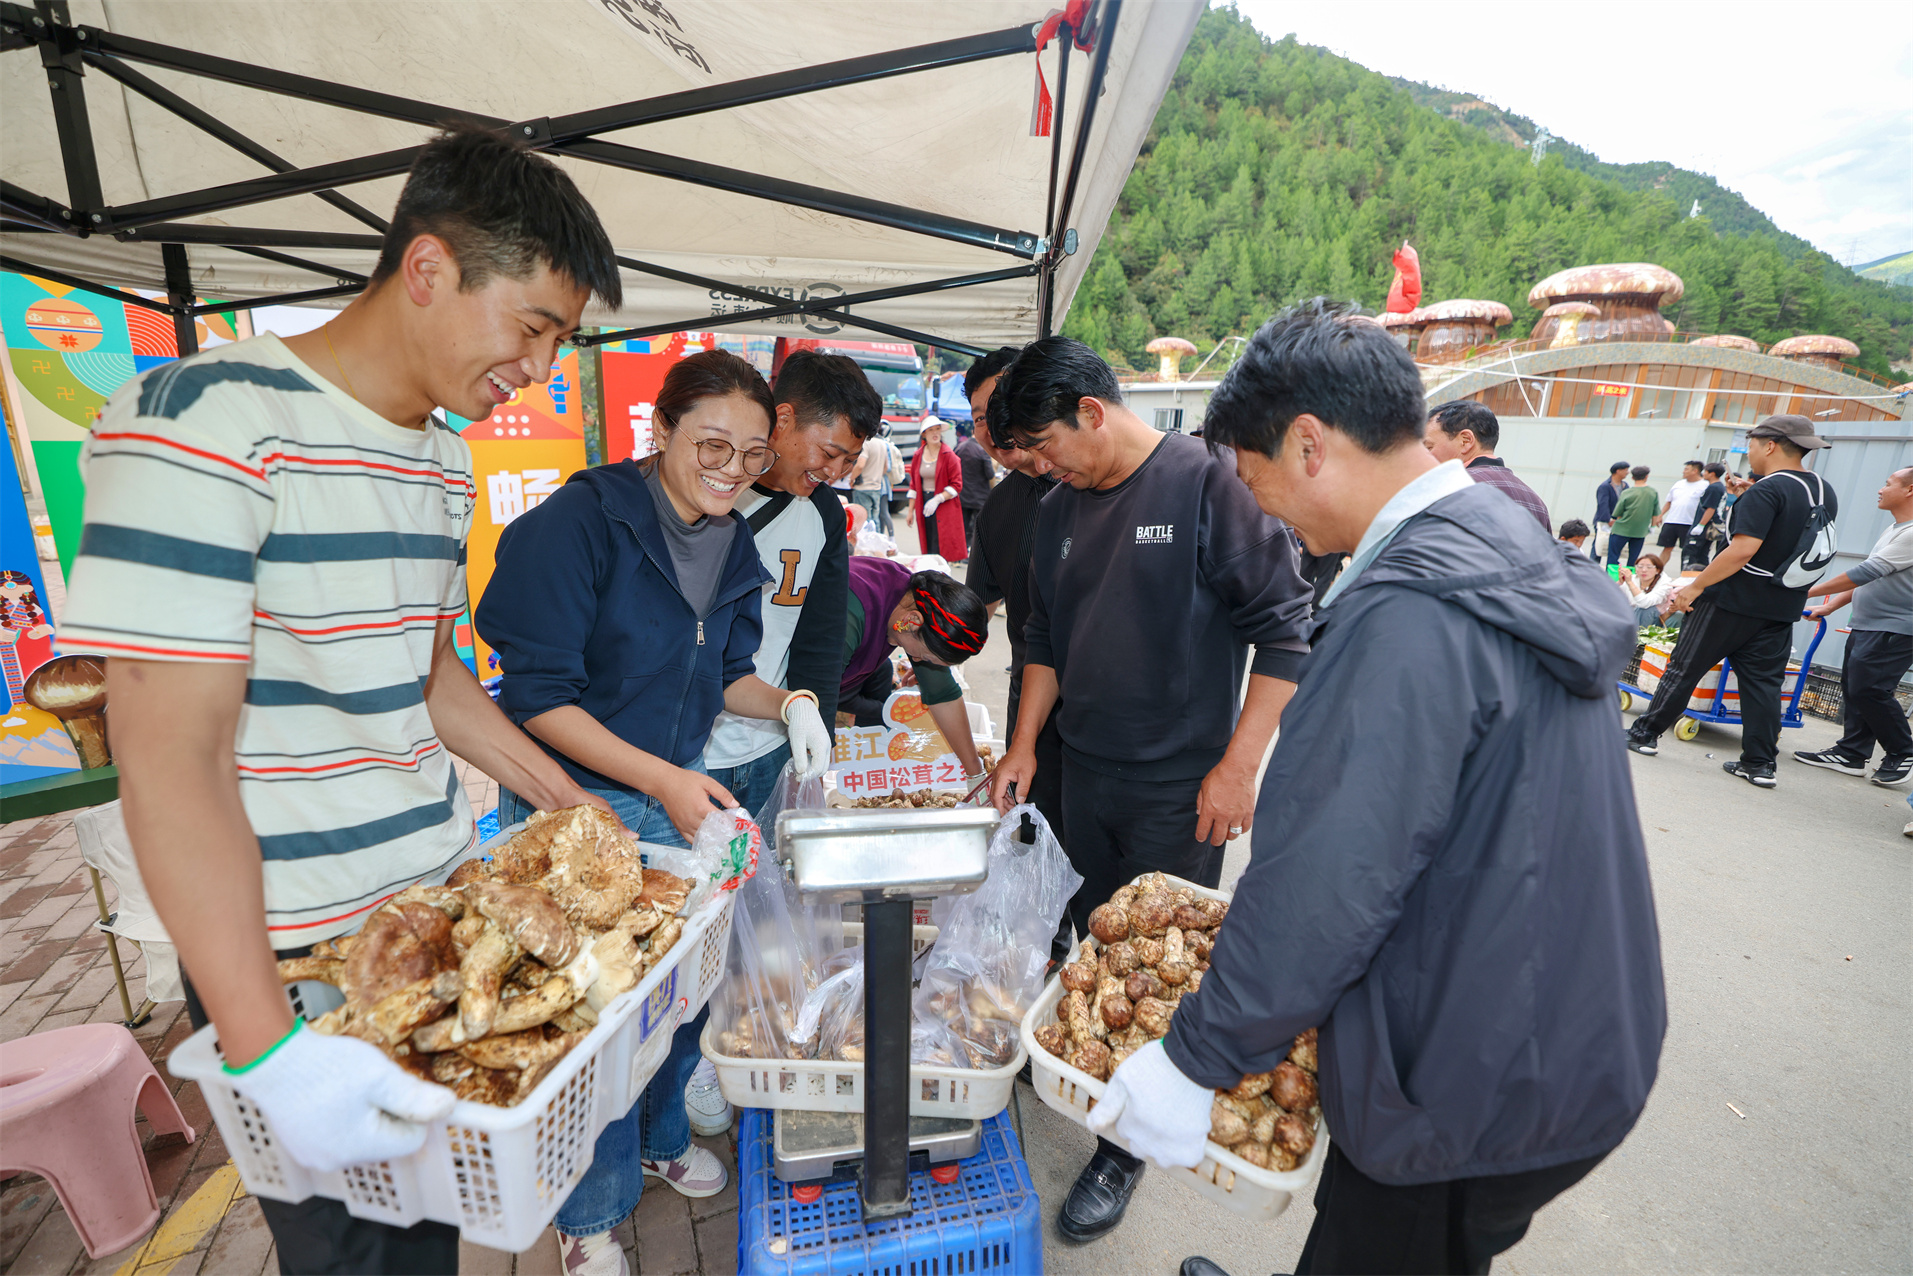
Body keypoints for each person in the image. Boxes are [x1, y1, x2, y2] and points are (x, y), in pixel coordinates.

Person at [60, 125, 625, 1275]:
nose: (539, 368)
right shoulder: (204, 419)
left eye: (558, 341)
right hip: (294, 953)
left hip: (435, 910)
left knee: (456, 1224)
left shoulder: (439, 465)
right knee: (366, 1258)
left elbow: (426, 670)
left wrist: (568, 801)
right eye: (531, 327)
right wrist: (266, 1049)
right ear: (427, 267)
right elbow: (169, 757)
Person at [1085, 300, 1662, 1276]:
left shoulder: (1406, 618)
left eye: (1255, 480)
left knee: (1396, 1241)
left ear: (1309, 444)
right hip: (1560, 1020)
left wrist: (1195, 1058)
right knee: (1373, 1236)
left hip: (1475, 1071)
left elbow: (1329, 873)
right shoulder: (1496, 533)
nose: (1262, 512)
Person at [479, 350, 834, 1274]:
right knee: (596, 1021)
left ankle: (659, 1137)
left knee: (679, 993)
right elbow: (537, 699)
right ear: (660, 428)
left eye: (752, 455)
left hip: (675, 795)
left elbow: (728, 675)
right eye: (710, 444)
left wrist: (791, 703)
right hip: (575, 805)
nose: (731, 469)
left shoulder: (732, 542)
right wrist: (661, 780)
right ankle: (587, 1215)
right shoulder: (577, 525)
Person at [986, 336, 1313, 1244]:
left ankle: (1122, 1146)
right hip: (1081, 771)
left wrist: (1237, 768)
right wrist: (1024, 745)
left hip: (1181, 787)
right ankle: (1083, 1071)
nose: (1038, 465)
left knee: (1163, 967)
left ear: (1091, 411)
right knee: (1093, 943)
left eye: (1043, 444)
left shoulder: (1207, 482)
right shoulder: (1057, 507)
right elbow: (1042, 640)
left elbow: (1285, 633)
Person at [704, 350, 881, 816]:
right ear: (783, 419)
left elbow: (820, 639)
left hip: (769, 744)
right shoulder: (712, 490)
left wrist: (817, 731)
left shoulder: (824, 514)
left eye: (850, 461)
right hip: (690, 751)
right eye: (830, 453)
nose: (834, 473)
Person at [1626, 415, 1838, 788]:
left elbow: (1743, 549)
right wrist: (1746, 496)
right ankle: (1760, 764)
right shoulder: (1822, 490)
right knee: (1763, 686)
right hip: (1781, 605)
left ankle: (1644, 734)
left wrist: (1695, 586)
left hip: (1731, 602)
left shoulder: (1767, 491)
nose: (1749, 451)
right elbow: (1788, 535)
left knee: (1685, 668)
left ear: (1769, 445)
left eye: (1752, 444)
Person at [1794, 465, 1913, 786]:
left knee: (1869, 689)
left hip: (1896, 627)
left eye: (1888, 483)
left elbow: (1866, 572)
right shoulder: (1895, 529)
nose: (1880, 489)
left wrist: (1801, 590)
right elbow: (1872, 577)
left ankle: (1903, 751)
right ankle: (1852, 753)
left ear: (1909, 490)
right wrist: (1830, 605)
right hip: (1869, 623)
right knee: (1854, 688)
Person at [838, 556, 989, 782]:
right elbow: (811, 699)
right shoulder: (850, 612)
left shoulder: (916, 607)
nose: (919, 662)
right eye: (926, 657)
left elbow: (943, 694)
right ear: (912, 621)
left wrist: (975, 775)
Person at [1422, 399, 1550, 529]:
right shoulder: (1537, 503)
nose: (1423, 456)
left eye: (1428, 447)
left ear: (1466, 441)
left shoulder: (1450, 489)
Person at [908, 414, 967, 561]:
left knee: (941, 544)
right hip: (923, 501)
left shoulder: (949, 455)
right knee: (928, 541)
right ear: (924, 434)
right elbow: (914, 485)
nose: (935, 433)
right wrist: (910, 511)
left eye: (937, 429)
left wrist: (938, 498)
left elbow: (957, 485)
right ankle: (930, 571)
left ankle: (941, 572)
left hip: (944, 503)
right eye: (931, 430)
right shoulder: (918, 455)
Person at [1658, 460, 1709, 569]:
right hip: (1672, 520)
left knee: (1688, 550)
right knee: (1667, 547)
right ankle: (1657, 571)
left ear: (1695, 471)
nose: (1683, 471)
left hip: (1690, 523)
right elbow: (1669, 501)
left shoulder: (1705, 485)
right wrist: (1660, 515)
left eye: (1686, 469)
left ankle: (1685, 573)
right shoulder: (1679, 484)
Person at [955, 420, 995, 554]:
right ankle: (974, 553)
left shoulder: (960, 447)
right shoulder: (983, 450)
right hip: (980, 496)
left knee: (962, 526)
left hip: (962, 494)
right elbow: (990, 474)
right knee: (978, 528)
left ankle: (961, 553)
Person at [1608, 465, 1658, 569]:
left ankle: (1611, 575)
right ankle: (1630, 576)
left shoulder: (1627, 492)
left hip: (1621, 529)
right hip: (1640, 531)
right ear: (1646, 476)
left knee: (1613, 556)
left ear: (1632, 477)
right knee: (1633, 559)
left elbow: (1618, 512)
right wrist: (1653, 526)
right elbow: (1655, 512)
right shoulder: (1652, 492)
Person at [1618, 552, 1680, 626]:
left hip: (1652, 621)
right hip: (1630, 616)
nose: (1644, 570)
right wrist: (1620, 583)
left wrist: (1630, 583)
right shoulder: (1633, 578)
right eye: (1640, 566)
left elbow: (1644, 603)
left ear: (1657, 570)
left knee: (1646, 609)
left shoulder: (1665, 584)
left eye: (1649, 567)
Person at [1690, 461, 1728, 565]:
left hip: (1706, 525)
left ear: (1712, 474)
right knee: (1702, 554)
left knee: (1694, 554)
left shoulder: (1714, 488)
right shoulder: (1719, 487)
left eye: (1705, 471)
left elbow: (1711, 508)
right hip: (1709, 525)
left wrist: (1701, 525)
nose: (1703, 474)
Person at [1593, 460, 1630, 559]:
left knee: (1613, 546)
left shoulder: (1625, 486)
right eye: (1626, 470)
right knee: (1598, 545)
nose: (1628, 472)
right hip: (1604, 520)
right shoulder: (1605, 486)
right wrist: (1608, 519)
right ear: (1618, 471)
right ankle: (1593, 564)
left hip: (1618, 521)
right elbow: (1602, 504)